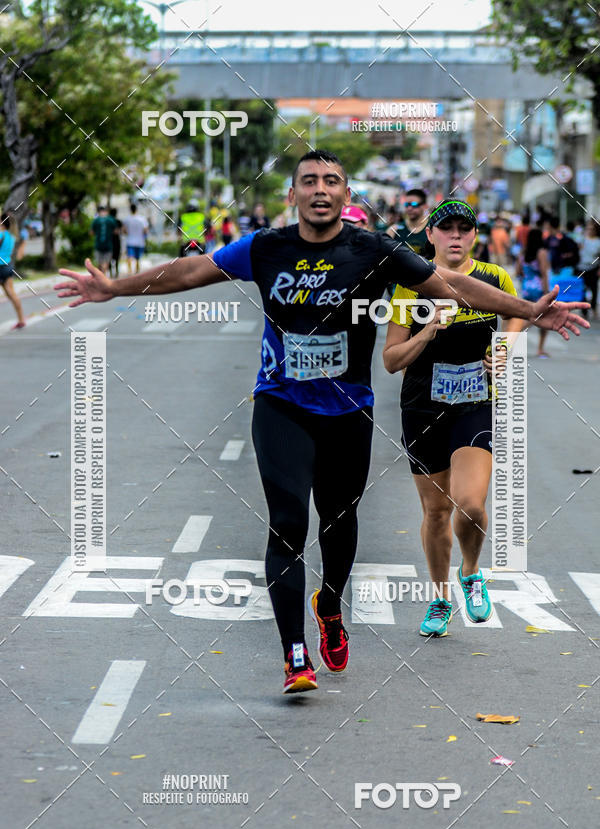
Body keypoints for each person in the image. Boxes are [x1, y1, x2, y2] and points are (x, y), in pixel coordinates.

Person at [55, 151, 589, 694]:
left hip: (348, 411)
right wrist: (115, 287)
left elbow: (453, 285)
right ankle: (294, 654)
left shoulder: (375, 251)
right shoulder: (266, 248)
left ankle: (330, 604)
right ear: (293, 195)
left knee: (337, 521)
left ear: (344, 195)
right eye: (308, 180)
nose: (319, 188)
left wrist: (528, 309)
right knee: (287, 522)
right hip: (281, 404)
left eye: (331, 180)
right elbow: (195, 269)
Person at [383, 199, 526, 637]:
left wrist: (501, 350)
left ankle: (471, 571)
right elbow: (390, 359)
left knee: (471, 504)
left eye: (465, 229)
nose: (456, 236)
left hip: (475, 402)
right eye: (447, 229)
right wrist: (427, 331)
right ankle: (441, 597)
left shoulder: (493, 277)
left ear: (474, 236)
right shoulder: (411, 286)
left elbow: (516, 314)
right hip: (422, 407)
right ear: (431, 236)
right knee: (435, 510)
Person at [516, 228, 550, 356]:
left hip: (526, 287)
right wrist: (547, 292)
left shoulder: (523, 252)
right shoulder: (541, 252)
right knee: (541, 316)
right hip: (539, 288)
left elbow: (518, 270)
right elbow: (544, 273)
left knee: (529, 314)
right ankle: (540, 348)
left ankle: (516, 334)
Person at [387, 188, 431, 256]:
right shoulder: (394, 230)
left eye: (414, 204)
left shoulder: (433, 230)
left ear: (425, 206)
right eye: (407, 205)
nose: (409, 208)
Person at [0, 212, 26, 328]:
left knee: (10, 293)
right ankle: (21, 319)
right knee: (11, 294)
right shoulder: (12, 237)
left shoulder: (1, 235)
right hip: (8, 267)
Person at [579, 220, 600, 319]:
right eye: (588, 229)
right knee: (582, 289)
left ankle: (593, 307)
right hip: (581, 267)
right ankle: (584, 310)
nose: (590, 231)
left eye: (592, 229)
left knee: (594, 289)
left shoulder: (598, 242)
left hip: (593, 268)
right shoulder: (582, 240)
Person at [122, 203, 148, 274]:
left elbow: (124, 230)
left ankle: (130, 271)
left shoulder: (127, 219)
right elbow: (145, 230)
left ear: (130, 210)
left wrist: (128, 233)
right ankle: (137, 271)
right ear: (136, 209)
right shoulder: (142, 219)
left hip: (130, 240)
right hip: (140, 241)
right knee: (137, 258)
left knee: (129, 256)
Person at [90, 206, 117, 275]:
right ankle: (103, 276)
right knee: (106, 263)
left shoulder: (96, 220)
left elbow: (91, 232)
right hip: (108, 244)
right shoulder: (111, 219)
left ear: (98, 211)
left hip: (98, 245)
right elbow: (116, 231)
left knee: (100, 263)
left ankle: (100, 276)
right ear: (106, 211)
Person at [109, 207, 122, 278]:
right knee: (116, 257)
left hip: (109, 241)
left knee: (110, 257)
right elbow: (119, 231)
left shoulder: (108, 221)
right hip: (117, 241)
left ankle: (110, 272)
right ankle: (116, 272)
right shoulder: (118, 221)